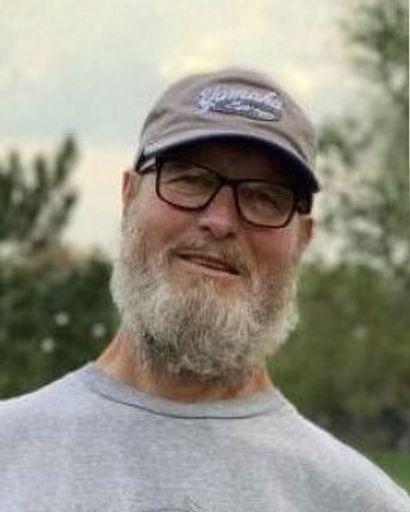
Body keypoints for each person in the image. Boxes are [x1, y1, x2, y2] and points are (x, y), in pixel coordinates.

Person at [1, 69, 409, 512]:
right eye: (191, 180)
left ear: (302, 240)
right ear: (128, 196)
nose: (220, 221)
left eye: (264, 197)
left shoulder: (358, 501)